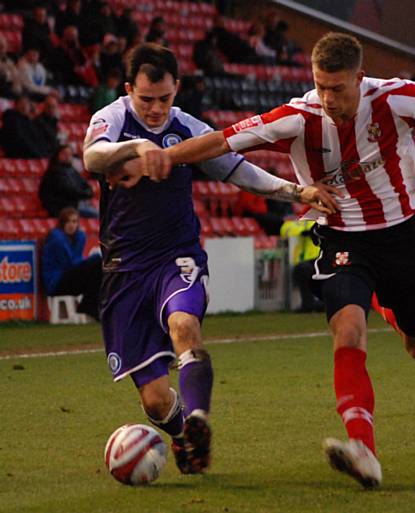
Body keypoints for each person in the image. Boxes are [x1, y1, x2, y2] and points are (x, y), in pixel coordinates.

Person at [115, 33, 415, 489]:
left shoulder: (396, 98)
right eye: (320, 86)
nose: (328, 98)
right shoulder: (297, 116)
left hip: (405, 235)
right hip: (343, 237)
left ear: (359, 77)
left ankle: (388, 306)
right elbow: (221, 142)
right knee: (347, 330)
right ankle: (363, 449)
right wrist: (162, 156)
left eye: (337, 88)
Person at [82, 43, 336, 476]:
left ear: (176, 88)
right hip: (123, 269)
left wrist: (296, 191)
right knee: (156, 401)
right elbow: (92, 156)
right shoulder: (114, 119)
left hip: (175, 257)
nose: (158, 108)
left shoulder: (187, 127)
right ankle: (184, 433)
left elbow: (238, 170)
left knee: (184, 325)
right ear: (128, 90)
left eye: (165, 98)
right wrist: (138, 149)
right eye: (147, 99)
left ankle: (198, 418)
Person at [41, 207, 102, 320]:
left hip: (68, 278)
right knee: (97, 261)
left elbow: (76, 262)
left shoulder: (79, 236)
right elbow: (69, 264)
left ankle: (90, 305)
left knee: (99, 267)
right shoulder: (56, 239)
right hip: (56, 282)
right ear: (62, 223)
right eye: (68, 221)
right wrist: (89, 261)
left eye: (74, 221)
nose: (71, 225)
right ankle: (89, 306)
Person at [39, 144, 97, 218]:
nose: (67, 156)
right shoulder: (53, 172)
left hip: (75, 204)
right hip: (62, 207)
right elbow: (68, 190)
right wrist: (85, 194)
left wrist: (89, 192)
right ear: (57, 155)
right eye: (64, 154)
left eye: (70, 154)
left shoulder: (72, 170)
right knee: (98, 215)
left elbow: (85, 184)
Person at [280, 218, 323, 313]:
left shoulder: (321, 220)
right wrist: (302, 232)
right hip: (307, 260)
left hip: (323, 257)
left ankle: (323, 304)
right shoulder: (296, 223)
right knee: (303, 270)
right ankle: (308, 305)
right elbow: (285, 231)